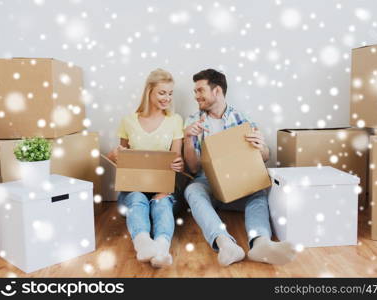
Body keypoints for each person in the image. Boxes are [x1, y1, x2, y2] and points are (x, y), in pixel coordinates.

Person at [183, 69, 297, 266]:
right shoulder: (193, 121)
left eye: (200, 90)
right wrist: (188, 138)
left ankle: (261, 243)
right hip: (208, 184)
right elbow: (192, 169)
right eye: (195, 91)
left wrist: (262, 147)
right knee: (192, 189)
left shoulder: (242, 120)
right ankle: (225, 243)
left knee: (258, 193)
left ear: (217, 91)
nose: (196, 96)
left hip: (237, 184)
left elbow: (265, 157)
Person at [108, 69, 184, 268]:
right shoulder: (128, 121)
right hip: (133, 190)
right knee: (136, 198)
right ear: (149, 91)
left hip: (163, 188)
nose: (167, 98)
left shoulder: (175, 121)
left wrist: (178, 165)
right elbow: (121, 160)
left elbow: (177, 161)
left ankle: (161, 249)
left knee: (162, 203)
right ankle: (143, 245)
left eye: (170, 93)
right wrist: (114, 155)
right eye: (162, 93)